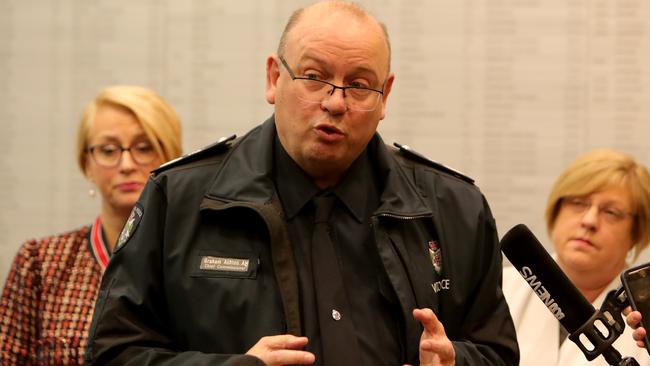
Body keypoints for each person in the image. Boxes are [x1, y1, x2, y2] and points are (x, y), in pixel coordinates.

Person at [86, 2, 518, 365]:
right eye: (314, 77)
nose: (335, 102)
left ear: (385, 96)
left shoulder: (454, 209)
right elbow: (114, 352)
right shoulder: (179, 198)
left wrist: (457, 361)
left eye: (360, 85)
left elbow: (497, 352)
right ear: (274, 78)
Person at [0, 85, 182, 365]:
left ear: (172, 157)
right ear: (87, 164)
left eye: (144, 148)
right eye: (108, 150)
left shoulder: (193, 263)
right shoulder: (40, 262)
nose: (126, 164)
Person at [502, 148, 650, 365]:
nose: (589, 220)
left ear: (636, 233)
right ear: (556, 210)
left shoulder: (642, 314)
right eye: (578, 203)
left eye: (611, 212)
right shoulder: (498, 289)